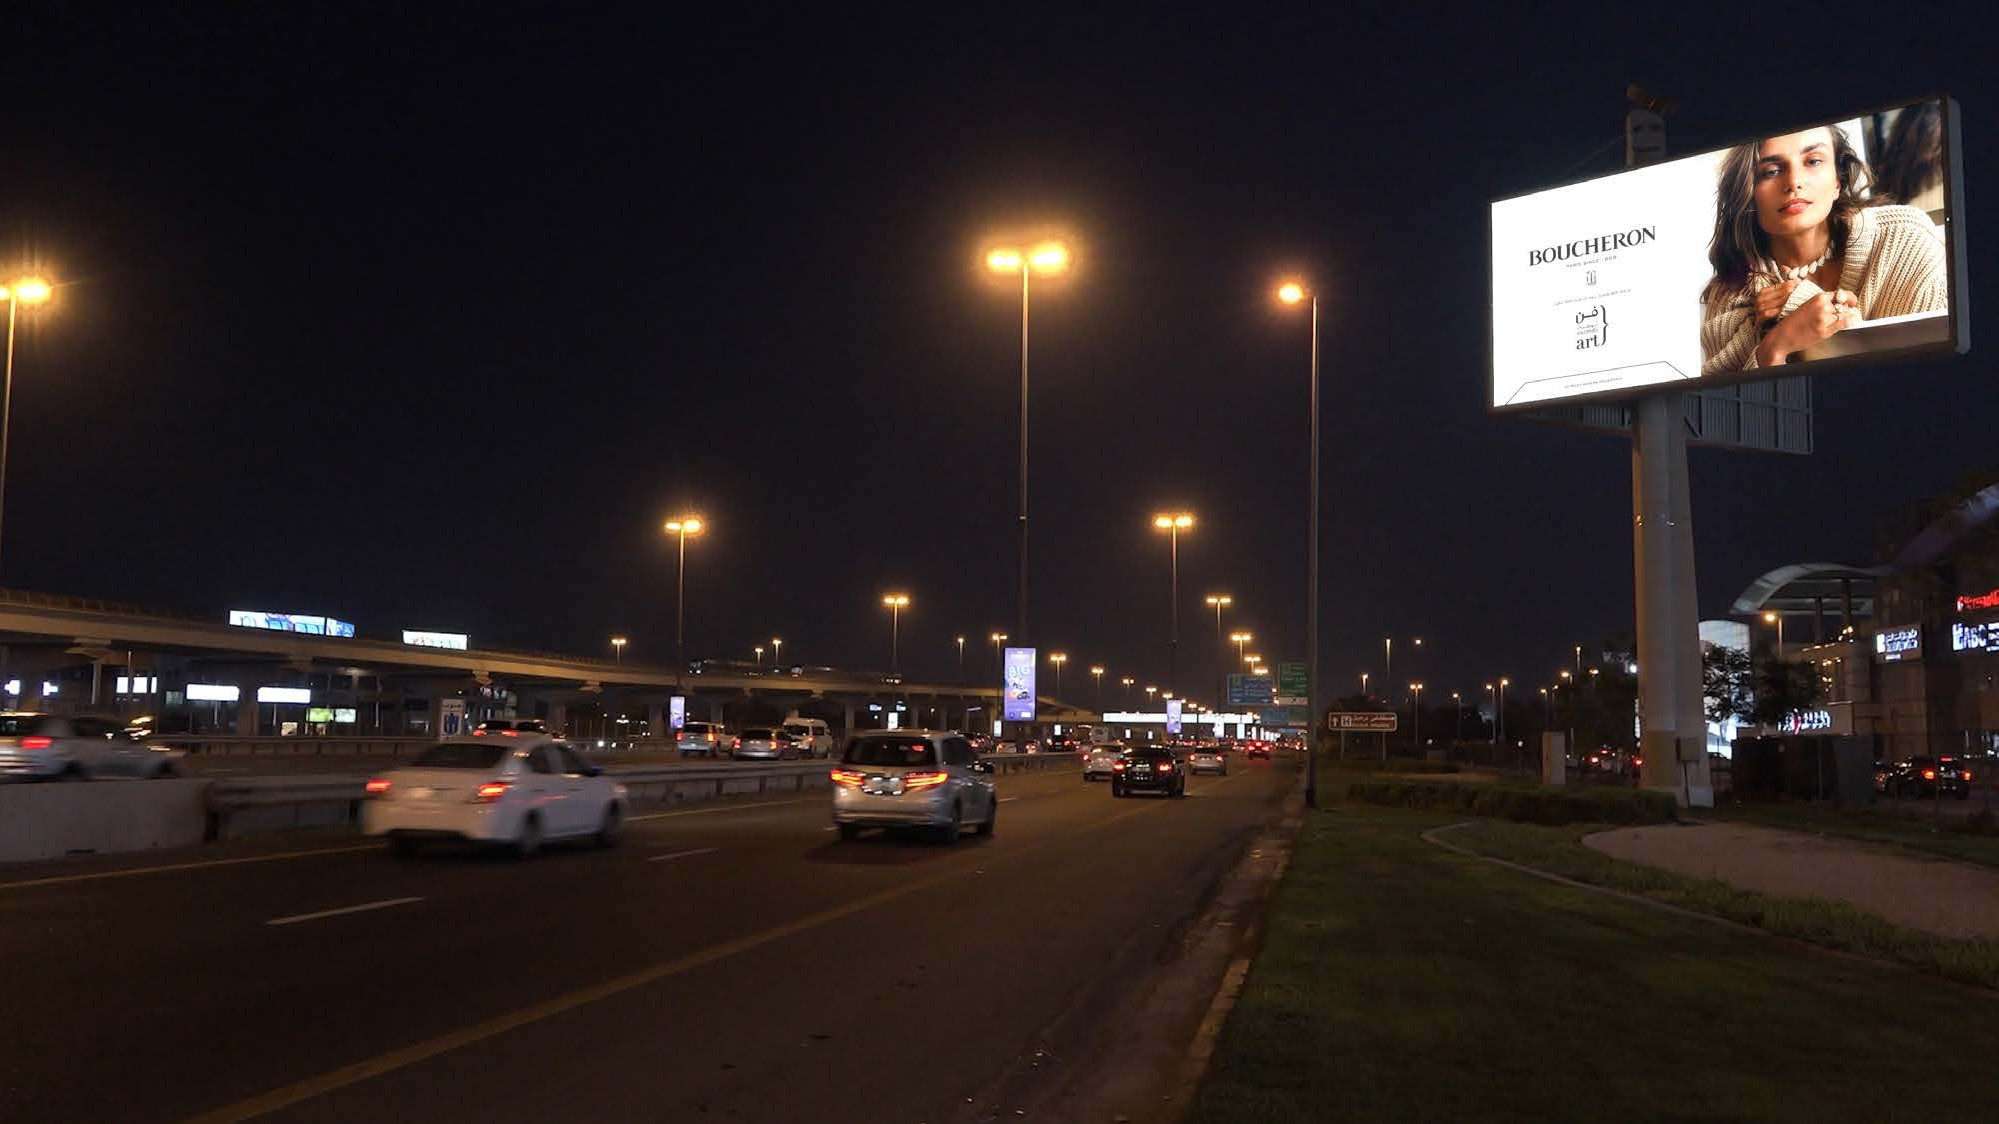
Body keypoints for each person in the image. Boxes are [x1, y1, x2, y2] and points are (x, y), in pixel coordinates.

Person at [1699, 124, 1947, 374]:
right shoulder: (1729, 294)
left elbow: (1928, 374)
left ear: (1838, 181)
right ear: (1749, 192)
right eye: (1772, 171)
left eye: (1814, 161)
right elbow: (1727, 408)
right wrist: (1774, 347)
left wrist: (1803, 301)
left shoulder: (1903, 237)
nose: (1794, 183)